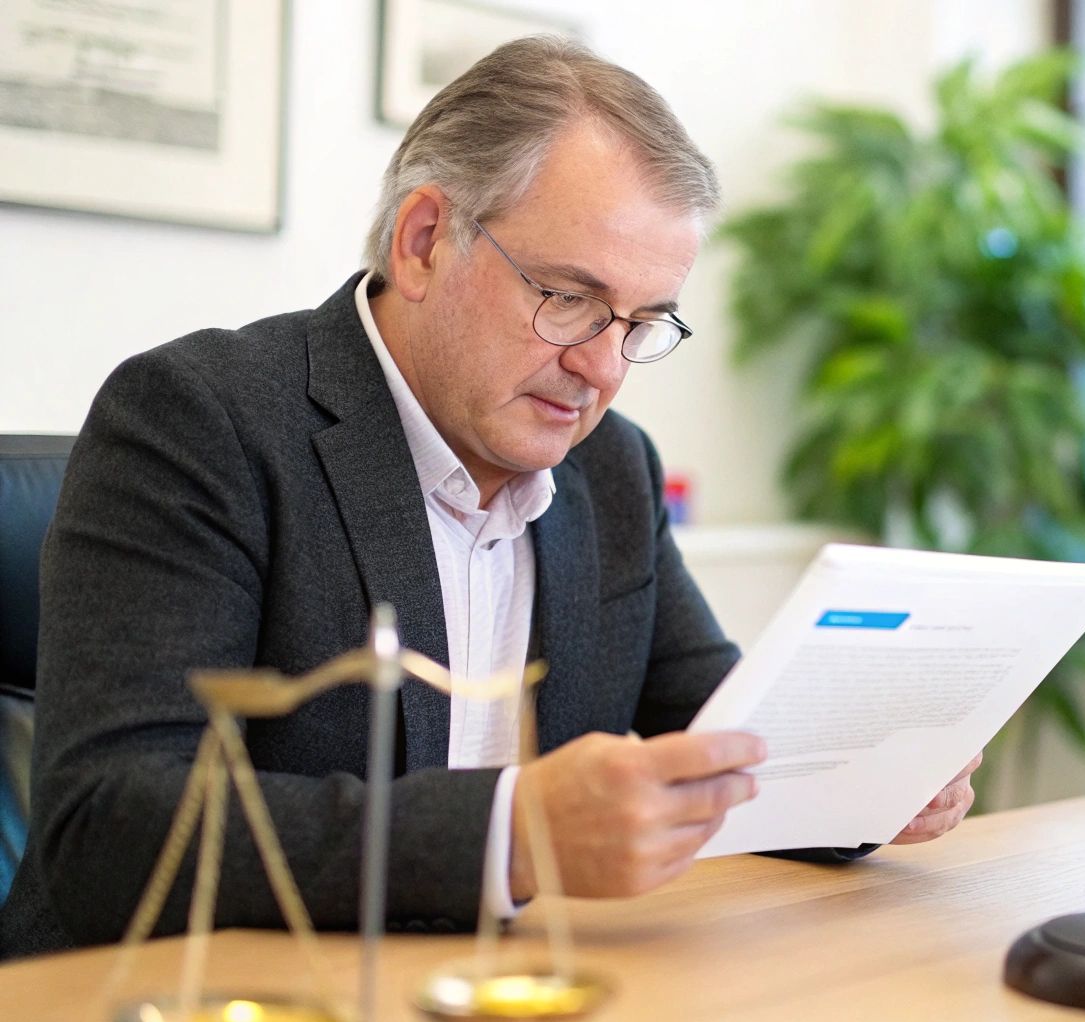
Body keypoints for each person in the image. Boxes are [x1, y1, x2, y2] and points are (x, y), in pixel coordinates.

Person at [0, 36, 980, 959]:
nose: (601, 366)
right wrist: (511, 834)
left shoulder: (611, 473)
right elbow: (111, 826)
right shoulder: (199, 420)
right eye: (568, 298)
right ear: (424, 240)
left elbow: (723, 732)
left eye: (641, 321)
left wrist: (860, 780)